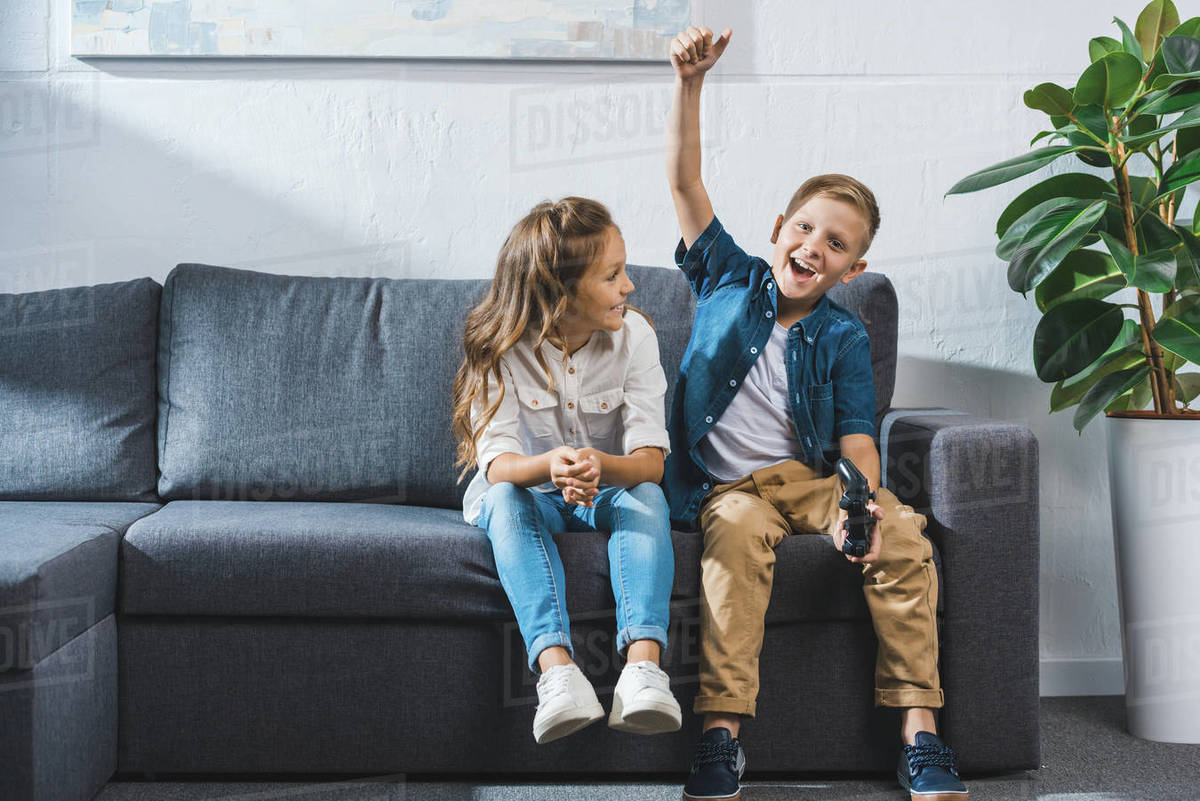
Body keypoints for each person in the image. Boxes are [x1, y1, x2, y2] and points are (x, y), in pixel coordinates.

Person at [664, 26, 970, 801]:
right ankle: (720, 737)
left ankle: (921, 735)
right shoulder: (727, 276)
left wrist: (860, 503)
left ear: (853, 268)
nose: (812, 247)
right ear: (777, 229)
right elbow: (684, 185)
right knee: (731, 543)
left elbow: (859, 438)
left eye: (835, 244)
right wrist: (690, 85)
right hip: (731, 488)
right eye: (804, 228)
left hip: (810, 478)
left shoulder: (842, 331)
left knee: (903, 531)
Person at [452, 197, 683, 745]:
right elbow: (500, 464)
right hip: (529, 487)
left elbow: (650, 461)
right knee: (504, 498)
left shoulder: (637, 337)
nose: (629, 286)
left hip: (609, 485)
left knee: (648, 496)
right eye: (612, 275)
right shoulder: (498, 347)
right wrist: (549, 465)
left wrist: (601, 466)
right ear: (560, 291)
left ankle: (643, 670)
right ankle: (558, 673)